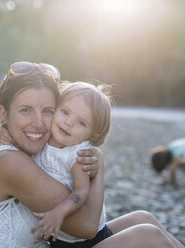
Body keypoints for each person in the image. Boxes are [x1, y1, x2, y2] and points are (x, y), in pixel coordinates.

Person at [0, 61, 185, 248]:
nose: (39, 123)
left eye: (48, 111)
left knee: (144, 218)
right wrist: (99, 167)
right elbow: (88, 227)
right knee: (149, 236)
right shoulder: (10, 162)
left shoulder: (25, 146)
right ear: (4, 113)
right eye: (25, 110)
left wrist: (5, 128)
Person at [29, 81, 113, 247]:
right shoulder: (43, 135)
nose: (68, 123)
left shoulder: (77, 154)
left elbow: (82, 192)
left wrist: (58, 213)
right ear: (55, 107)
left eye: (81, 123)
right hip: (57, 233)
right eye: (65, 112)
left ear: (92, 134)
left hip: (85, 240)